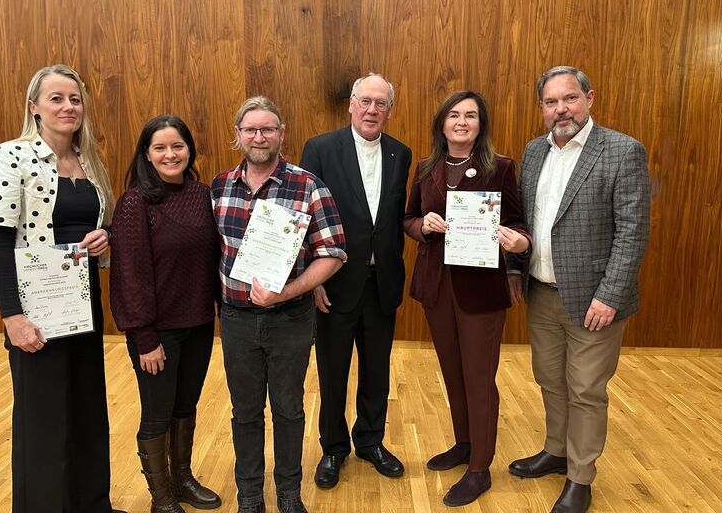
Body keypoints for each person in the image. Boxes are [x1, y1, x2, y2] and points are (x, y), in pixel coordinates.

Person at [0, 64, 123, 513]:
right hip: (36, 310)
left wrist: (106, 237)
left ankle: (92, 504)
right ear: (34, 107)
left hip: (81, 304)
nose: (68, 107)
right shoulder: (8, 157)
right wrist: (13, 318)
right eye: (56, 98)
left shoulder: (89, 163)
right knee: (43, 420)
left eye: (74, 99)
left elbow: (100, 226)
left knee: (87, 411)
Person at [506, 66, 650, 513]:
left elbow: (632, 231)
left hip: (594, 300)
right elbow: (523, 220)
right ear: (542, 108)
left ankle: (580, 477)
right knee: (550, 379)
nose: (561, 109)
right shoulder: (535, 151)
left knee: (586, 389)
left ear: (590, 98)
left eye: (569, 98)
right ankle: (556, 450)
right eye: (551, 102)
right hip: (541, 292)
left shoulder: (622, 151)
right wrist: (514, 271)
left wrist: (610, 295)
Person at [211, 96, 347, 513]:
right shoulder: (219, 186)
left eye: (267, 129)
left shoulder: (308, 186)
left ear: (281, 134)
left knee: (289, 410)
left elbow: (333, 253)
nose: (259, 136)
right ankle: (250, 495)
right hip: (236, 320)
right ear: (237, 135)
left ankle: (289, 493)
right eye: (250, 129)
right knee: (245, 412)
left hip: (290, 319)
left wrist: (290, 291)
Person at [404, 90, 531, 507]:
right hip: (436, 286)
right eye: (454, 115)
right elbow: (408, 218)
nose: (462, 122)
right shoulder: (425, 168)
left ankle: (479, 467)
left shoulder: (501, 167)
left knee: (478, 377)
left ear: (481, 124)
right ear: (441, 123)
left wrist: (518, 242)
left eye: (471, 115)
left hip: (480, 290)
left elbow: (517, 223)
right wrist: (423, 225)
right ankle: (464, 443)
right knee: (452, 371)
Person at [299, 73, 411, 488]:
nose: (372, 109)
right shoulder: (320, 149)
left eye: (381, 103)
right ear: (351, 104)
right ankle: (333, 448)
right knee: (332, 371)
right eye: (365, 101)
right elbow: (304, 216)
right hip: (334, 284)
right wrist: (313, 279)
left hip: (382, 283)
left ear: (389, 110)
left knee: (377, 371)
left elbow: (392, 219)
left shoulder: (401, 153)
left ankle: (370, 441)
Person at [110, 115, 221, 513]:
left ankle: (182, 480)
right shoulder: (135, 203)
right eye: (160, 147)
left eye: (177, 146)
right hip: (157, 332)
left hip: (199, 324)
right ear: (146, 154)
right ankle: (161, 498)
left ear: (189, 149)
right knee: (157, 413)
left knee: (186, 405)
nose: (170, 154)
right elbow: (130, 274)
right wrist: (144, 336)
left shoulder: (204, 195)